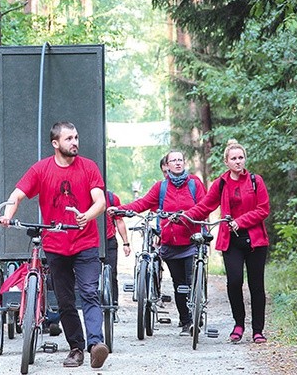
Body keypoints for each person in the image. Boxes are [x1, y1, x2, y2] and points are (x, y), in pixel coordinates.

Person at [0, 121, 110, 369]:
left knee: (89, 292)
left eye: (76, 137)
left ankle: (95, 345)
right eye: (69, 138)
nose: (75, 142)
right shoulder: (41, 169)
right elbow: (17, 194)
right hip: (56, 245)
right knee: (65, 299)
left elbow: (100, 201)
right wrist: (7, 213)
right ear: (55, 143)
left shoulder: (89, 167)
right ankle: (76, 348)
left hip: (85, 242)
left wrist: (86, 215)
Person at [108, 150, 206, 336]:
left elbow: (204, 206)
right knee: (179, 285)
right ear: (166, 166)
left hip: (191, 242)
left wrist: (188, 217)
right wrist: (119, 210)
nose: (177, 163)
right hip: (169, 243)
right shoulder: (161, 187)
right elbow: (142, 203)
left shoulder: (194, 184)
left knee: (191, 281)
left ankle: (196, 316)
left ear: (184, 163)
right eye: (173, 161)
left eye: (180, 160)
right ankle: (186, 321)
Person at [183, 139, 270, 344]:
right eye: (234, 158)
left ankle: (258, 330)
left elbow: (263, 209)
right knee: (234, 282)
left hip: (255, 240)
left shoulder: (256, 181)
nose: (238, 162)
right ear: (227, 162)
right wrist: (184, 216)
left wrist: (240, 221)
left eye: (241, 158)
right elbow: (205, 206)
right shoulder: (221, 183)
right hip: (231, 241)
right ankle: (238, 324)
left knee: (256, 285)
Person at [105, 190, 131, 309]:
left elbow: (119, 221)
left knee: (111, 272)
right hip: (88, 241)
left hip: (109, 239)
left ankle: (113, 304)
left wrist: (126, 243)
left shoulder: (111, 198)